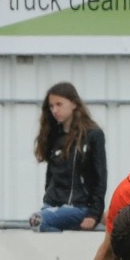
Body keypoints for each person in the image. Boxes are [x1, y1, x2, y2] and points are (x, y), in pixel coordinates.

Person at [30, 82, 107, 232]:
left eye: (59, 104)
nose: (55, 110)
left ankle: (63, 251)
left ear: (73, 103)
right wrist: (48, 198)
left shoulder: (93, 135)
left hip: (79, 206)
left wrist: (94, 214)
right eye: (51, 106)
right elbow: (51, 176)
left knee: (37, 221)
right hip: (53, 205)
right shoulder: (54, 135)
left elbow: (100, 177)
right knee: (37, 221)